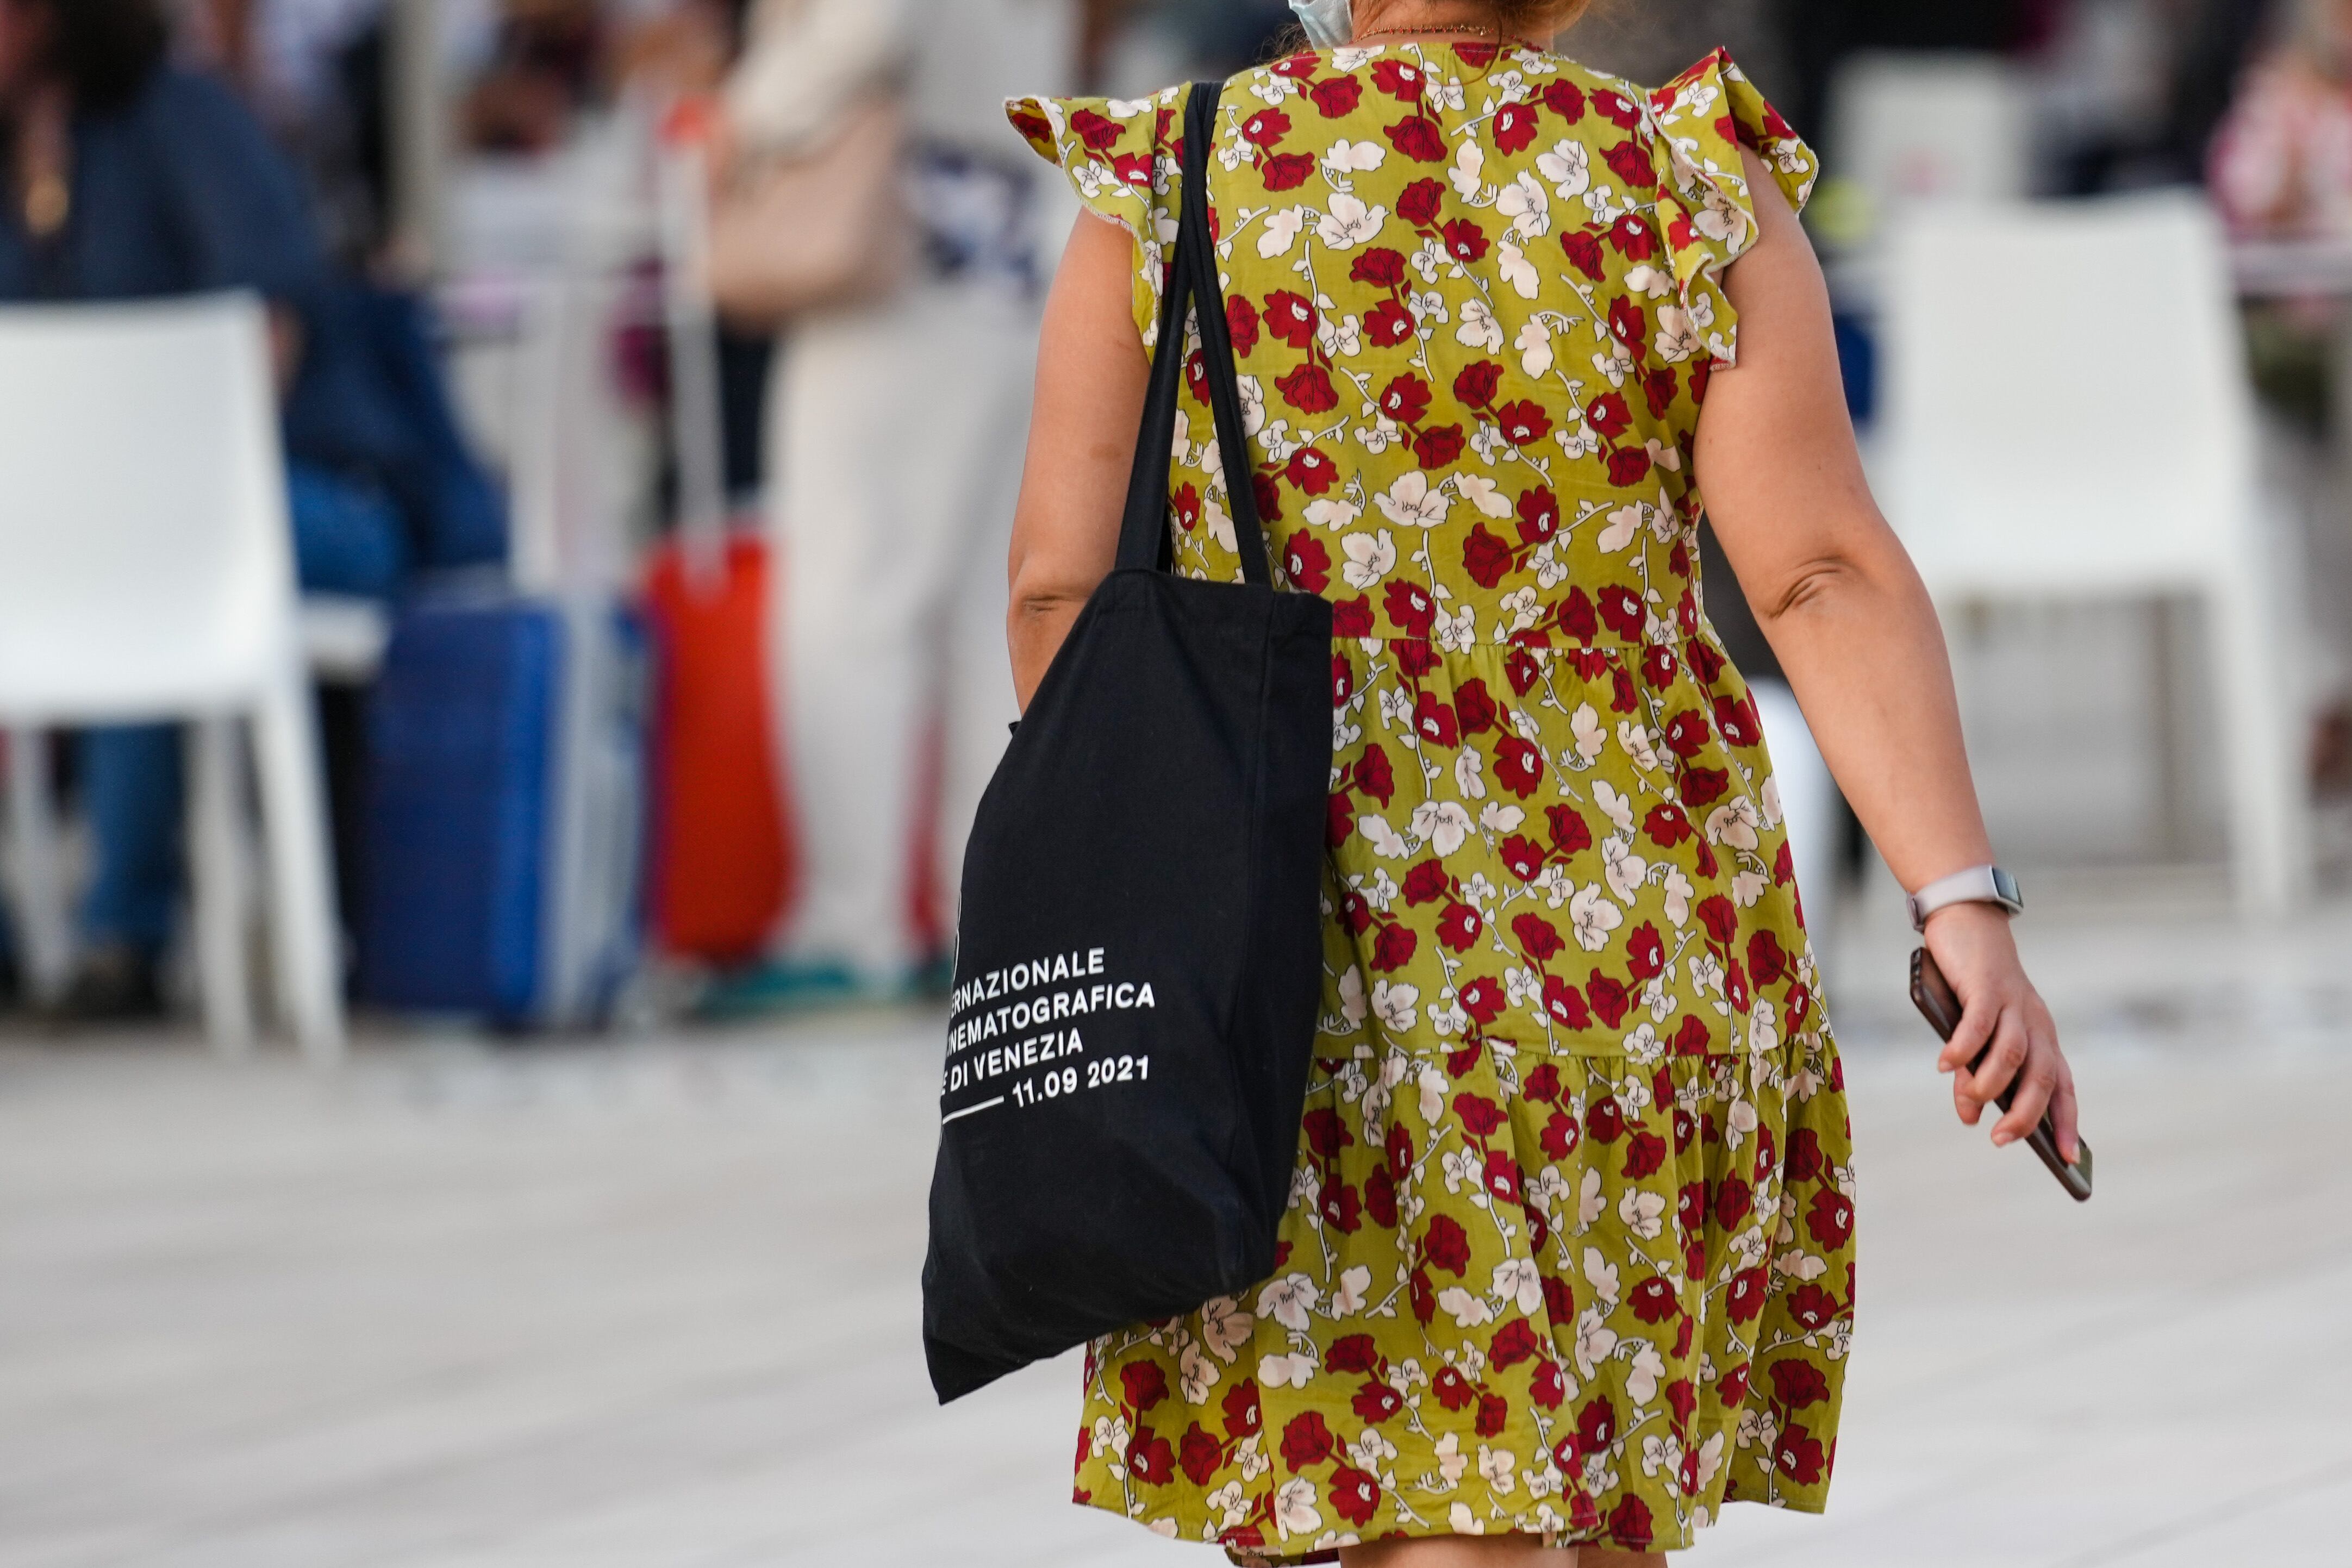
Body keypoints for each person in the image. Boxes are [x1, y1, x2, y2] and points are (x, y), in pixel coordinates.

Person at [1002, 0, 2085, 1560]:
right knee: (1571, 1502)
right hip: (1630, 955)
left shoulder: (1171, 184)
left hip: (1287, 969)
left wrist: (1139, 882)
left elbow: (1059, 597)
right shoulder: (1683, 173)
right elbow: (1821, 574)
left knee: (1356, 1500)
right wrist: (1961, 902)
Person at [0, 0, 501, 1019]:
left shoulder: (182, 116)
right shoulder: (15, 161)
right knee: (125, 544)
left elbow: (270, 326)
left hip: (318, 496)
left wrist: (141, 460)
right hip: (113, 526)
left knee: (144, 545)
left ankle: (124, 934)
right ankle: (72, 934)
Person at [704, 0, 1081, 1013]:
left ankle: (851, 926)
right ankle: (993, 938)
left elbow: (868, 25)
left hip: (902, 250)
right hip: (1009, 247)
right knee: (977, 620)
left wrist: (737, 115)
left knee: (847, 603)